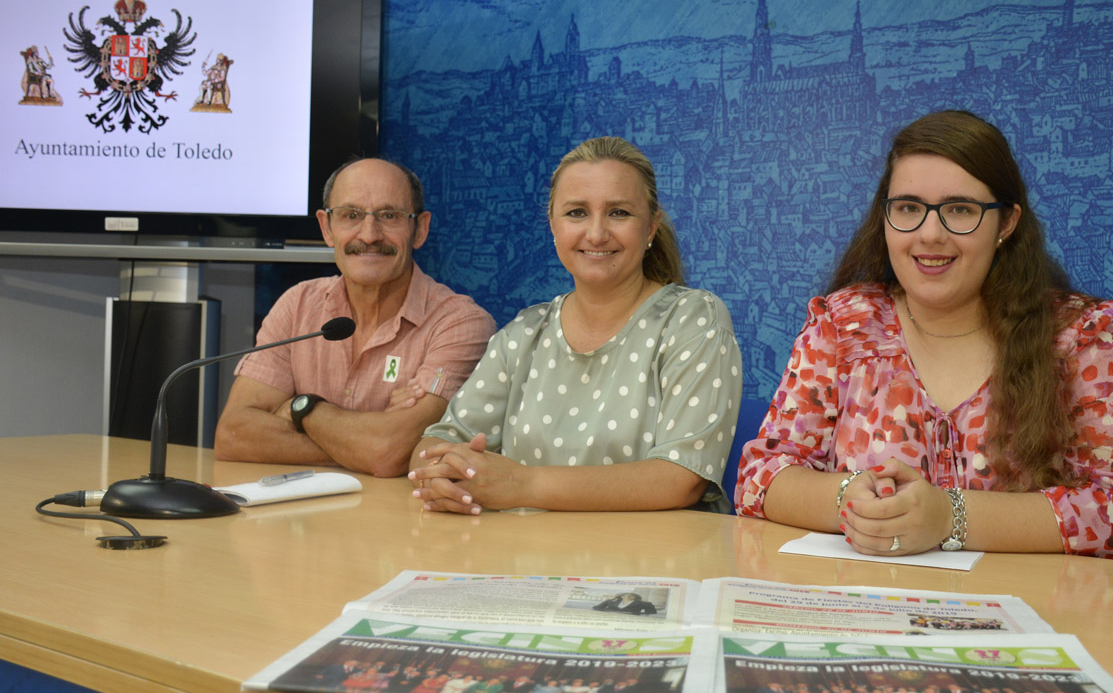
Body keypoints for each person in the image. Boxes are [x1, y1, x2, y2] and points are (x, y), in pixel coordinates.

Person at [735, 110, 1113, 559]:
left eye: (960, 210)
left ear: (1007, 223)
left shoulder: (1082, 337)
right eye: (909, 208)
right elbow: (761, 476)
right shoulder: (843, 325)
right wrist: (849, 500)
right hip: (867, 611)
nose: (929, 234)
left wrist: (950, 517)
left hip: (1027, 615)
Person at [409, 136, 741, 513]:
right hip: (524, 563)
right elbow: (434, 445)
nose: (596, 233)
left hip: (648, 564)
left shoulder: (693, 320)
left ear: (650, 228)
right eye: (577, 213)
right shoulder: (524, 333)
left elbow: (682, 479)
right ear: (553, 225)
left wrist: (522, 484)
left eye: (619, 212)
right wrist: (440, 476)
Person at [214, 158, 496, 477]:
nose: (370, 234)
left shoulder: (460, 323)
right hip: (299, 520)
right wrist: (360, 445)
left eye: (389, 216)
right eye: (351, 215)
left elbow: (389, 449)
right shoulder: (297, 305)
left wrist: (303, 408)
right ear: (326, 227)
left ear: (420, 229)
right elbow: (232, 434)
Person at [591, 592, 657, 615]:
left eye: (632, 595)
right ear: (621, 596)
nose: (628, 596)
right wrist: (608, 611)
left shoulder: (644, 604)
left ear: (635, 597)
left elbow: (652, 612)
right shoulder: (609, 601)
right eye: (625, 595)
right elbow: (596, 608)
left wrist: (635, 613)